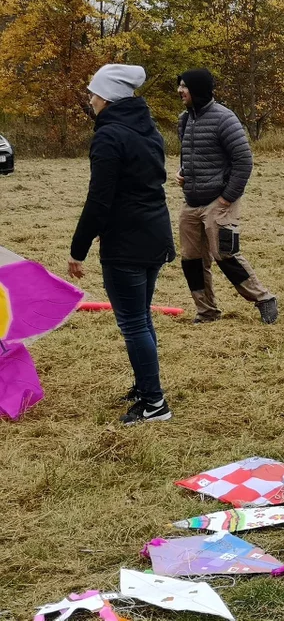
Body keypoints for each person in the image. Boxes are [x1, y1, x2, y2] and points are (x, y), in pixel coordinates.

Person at [69, 63, 176, 425]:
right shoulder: (147, 130)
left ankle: (154, 403)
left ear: (108, 97)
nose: (91, 99)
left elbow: (99, 199)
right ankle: (146, 386)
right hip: (154, 235)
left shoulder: (109, 136)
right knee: (141, 318)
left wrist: (77, 250)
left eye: (94, 93)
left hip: (128, 244)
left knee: (132, 323)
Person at [175, 68, 278, 324]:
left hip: (220, 200)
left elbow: (243, 161)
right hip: (192, 202)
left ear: (197, 90)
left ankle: (264, 298)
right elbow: (192, 155)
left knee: (225, 253)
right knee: (191, 260)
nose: (179, 91)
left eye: (184, 86)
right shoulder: (184, 120)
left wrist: (226, 199)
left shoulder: (225, 119)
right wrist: (182, 172)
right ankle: (207, 311)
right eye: (179, 85)